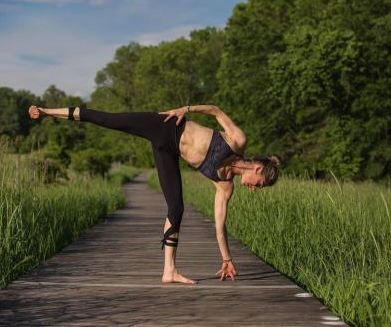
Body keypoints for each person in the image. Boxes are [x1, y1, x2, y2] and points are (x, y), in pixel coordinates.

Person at [28, 104, 281, 284]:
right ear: (258, 168)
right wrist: (186, 109)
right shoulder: (237, 141)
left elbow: (219, 226)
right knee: (108, 119)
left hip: (167, 154)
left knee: (177, 209)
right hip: (166, 126)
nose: (253, 188)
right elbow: (215, 110)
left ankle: (169, 271)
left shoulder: (225, 185)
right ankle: (46, 110)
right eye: (258, 184)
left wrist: (227, 259)